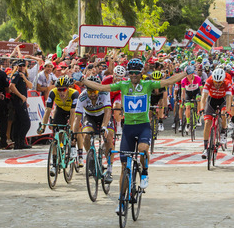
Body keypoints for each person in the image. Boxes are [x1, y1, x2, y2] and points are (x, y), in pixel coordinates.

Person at [81, 58, 194, 214]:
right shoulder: (123, 85)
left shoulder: (147, 85)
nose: (134, 75)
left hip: (143, 127)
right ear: (129, 73)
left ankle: (145, 171)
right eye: (131, 72)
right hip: (128, 128)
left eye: (136, 73)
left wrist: (184, 73)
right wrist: (83, 80)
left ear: (141, 73)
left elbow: (168, 82)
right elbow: (101, 86)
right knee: (123, 167)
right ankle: (121, 202)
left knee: (142, 149)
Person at [73, 76, 114, 182]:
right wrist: (74, 134)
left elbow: (108, 111)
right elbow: (77, 117)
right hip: (90, 117)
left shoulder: (104, 93)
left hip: (103, 116)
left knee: (108, 138)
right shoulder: (82, 97)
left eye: (94, 91)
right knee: (86, 135)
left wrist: (104, 127)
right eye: (89, 91)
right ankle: (91, 157)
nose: (92, 94)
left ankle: (109, 169)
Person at [38, 76, 79, 175]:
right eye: (59, 89)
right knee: (57, 137)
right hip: (60, 110)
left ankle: (73, 147)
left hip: (72, 111)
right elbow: (47, 110)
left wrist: (72, 129)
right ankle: (54, 164)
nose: (61, 92)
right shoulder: (53, 92)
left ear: (68, 88)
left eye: (63, 89)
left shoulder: (74, 93)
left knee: (74, 130)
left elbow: (73, 113)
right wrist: (43, 126)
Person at [201, 68, 232, 159]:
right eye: (216, 82)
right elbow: (204, 96)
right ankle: (205, 148)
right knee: (207, 123)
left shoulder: (227, 83)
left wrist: (228, 111)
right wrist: (202, 108)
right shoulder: (209, 80)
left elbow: (229, 98)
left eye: (219, 82)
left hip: (222, 100)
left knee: (223, 114)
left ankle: (223, 131)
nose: (217, 84)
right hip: (212, 100)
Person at [9, 59, 33, 149]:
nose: (22, 67)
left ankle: (19, 143)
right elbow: (11, 86)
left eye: (23, 66)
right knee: (26, 122)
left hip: (22, 101)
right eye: (20, 66)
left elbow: (30, 86)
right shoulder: (16, 75)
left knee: (19, 122)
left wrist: (24, 78)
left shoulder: (23, 76)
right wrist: (21, 96)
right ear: (17, 66)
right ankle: (20, 141)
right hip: (18, 101)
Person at [101, 65, 127, 135]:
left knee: (116, 106)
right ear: (113, 74)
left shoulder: (124, 83)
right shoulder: (106, 80)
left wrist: (123, 108)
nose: (118, 80)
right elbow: (101, 91)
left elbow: (125, 96)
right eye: (117, 77)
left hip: (117, 95)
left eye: (120, 78)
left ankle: (118, 125)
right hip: (108, 95)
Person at [0, 61, 10, 148]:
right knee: (3, 120)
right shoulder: (2, 74)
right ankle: (2, 141)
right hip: (1, 99)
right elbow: (7, 88)